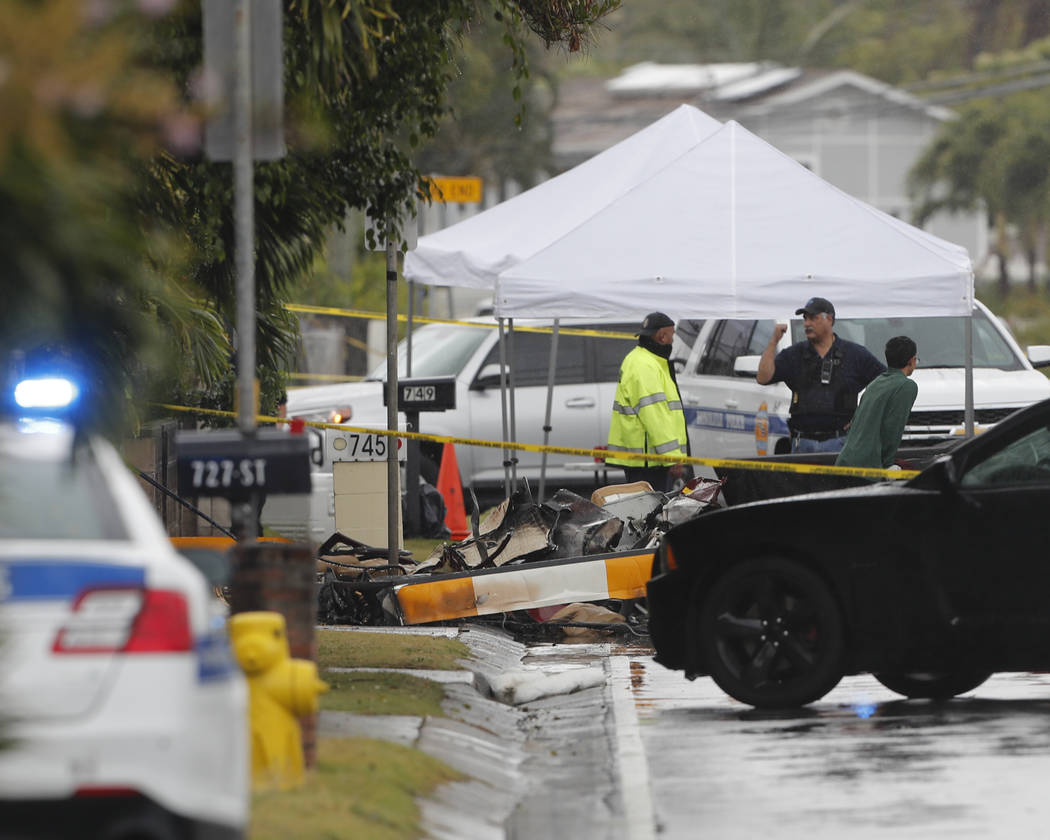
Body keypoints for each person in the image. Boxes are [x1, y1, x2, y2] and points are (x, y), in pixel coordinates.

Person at [757, 297, 885, 454]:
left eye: (813, 318)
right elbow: (763, 378)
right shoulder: (794, 354)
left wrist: (864, 418)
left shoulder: (854, 354)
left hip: (842, 442)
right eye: (805, 319)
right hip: (802, 443)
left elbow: (885, 385)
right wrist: (773, 341)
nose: (807, 324)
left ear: (829, 319)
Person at [606, 312, 690, 491]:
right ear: (662, 336)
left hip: (649, 459)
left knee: (649, 513)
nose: (673, 341)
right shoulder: (645, 365)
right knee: (650, 514)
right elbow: (654, 415)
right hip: (648, 461)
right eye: (672, 335)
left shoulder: (646, 361)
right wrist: (672, 457)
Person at [835, 336, 919, 470]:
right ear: (911, 361)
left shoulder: (876, 382)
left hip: (846, 461)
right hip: (869, 467)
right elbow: (893, 429)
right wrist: (887, 464)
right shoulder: (906, 386)